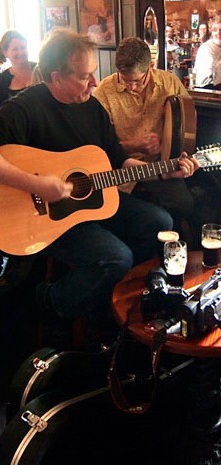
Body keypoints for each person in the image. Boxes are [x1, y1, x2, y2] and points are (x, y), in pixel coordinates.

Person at [0, 29, 198, 339]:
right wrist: (37, 185)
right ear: (55, 77)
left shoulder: (92, 107)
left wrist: (164, 172)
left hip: (92, 204)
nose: (95, 83)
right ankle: (50, 303)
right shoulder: (24, 108)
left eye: (94, 74)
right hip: (44, 219)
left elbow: (121, 162)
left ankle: (116, 302)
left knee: (160, 221)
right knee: (116, 257)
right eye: (84, 76)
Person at [93, 37, 195, 228]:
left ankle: (166, 245)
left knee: (183, 204)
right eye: (125, 80)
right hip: (121, 171)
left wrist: (175, 147)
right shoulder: (103, 93)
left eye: (137, 81)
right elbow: (98, 148)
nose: (131, 86)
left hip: (161, 166)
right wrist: (135, 144)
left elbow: (187, 122)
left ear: (151, 66)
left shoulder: (169, 83)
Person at [0, 30, 37, 105]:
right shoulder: (2, 80)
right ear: (5, 53)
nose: (21, 52)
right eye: (15, 49)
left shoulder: (40, 68)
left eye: (23, 48)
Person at [194, 15, 221, 90]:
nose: (218, 33)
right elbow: (216, 73)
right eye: (215, 30)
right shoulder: (206, 49)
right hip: (207, 89)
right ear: (211, 31)